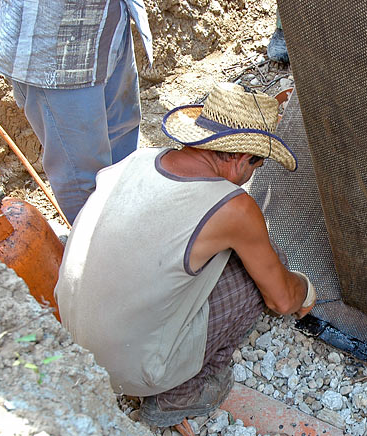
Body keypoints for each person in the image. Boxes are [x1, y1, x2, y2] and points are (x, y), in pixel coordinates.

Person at [54, 82, 316, 434]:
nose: (254, 173)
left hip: (72, 339)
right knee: (264, 271)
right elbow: (281, 299)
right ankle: (179, 393)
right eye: (258, 163)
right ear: (241, 158)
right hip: (129, 369)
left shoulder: (137, 160)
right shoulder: (234, 208)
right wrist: (304, 289)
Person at [0, 0, 153, 224]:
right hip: (55, 46)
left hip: (107, 28)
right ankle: (100, 251)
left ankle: (127, 229)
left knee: (122, 143)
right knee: (83, 182)